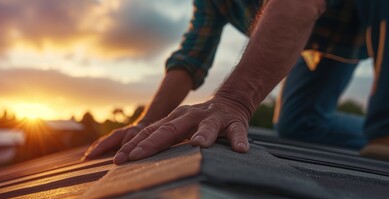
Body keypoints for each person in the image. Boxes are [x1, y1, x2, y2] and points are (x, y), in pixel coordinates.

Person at [83, 0, 389, 163]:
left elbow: (297, 4)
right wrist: (147, 123)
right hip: (322, 40)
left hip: (365, 17)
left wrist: (234, 101)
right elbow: (192, 57)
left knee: (382, 133)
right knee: (300, 124)